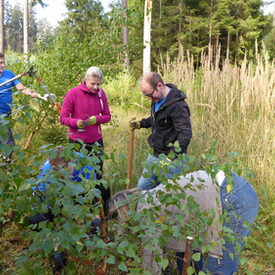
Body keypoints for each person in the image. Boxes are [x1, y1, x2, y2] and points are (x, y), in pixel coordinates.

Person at [108, 170, 259, 275]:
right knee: (186, 254)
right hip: (230, 184)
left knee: (218, 268)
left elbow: (151, 262)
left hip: (234, 199)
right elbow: (184, 245)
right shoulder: (149, 196)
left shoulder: (147, 216)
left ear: (124, 214)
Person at [129, 72, 192, 190]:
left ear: (159, 86)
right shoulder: (157, 98)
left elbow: (185, 135)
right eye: (146, 95)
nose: (149, 99)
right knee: (142, 189)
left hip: (173, 161)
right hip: (156, 154)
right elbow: (157, 120)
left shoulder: (178, 106)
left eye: (150, 95)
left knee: (167, 195)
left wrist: (171, 157)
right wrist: (141, 124)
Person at [60, 66, 111, 204]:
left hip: (96, 142)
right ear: (85, 80)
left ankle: (99, 207)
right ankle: (78, 207)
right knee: (76, 175)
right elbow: (63, 118)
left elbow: (107, 116)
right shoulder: (73, 93)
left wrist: (95, 119)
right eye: (92, 83)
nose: (95, 87)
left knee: (97, 174)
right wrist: (76, 123)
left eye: (98, 84)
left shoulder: (101, 94)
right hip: (77, 142)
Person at [0, 52, 39, 162]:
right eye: (0, 63)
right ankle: (5, 168)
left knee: (5, 143)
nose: (2, 65)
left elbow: (21, 88)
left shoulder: (9, 75)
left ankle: (4, 169)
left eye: (3, 62)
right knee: (8, 143)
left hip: (6, 115)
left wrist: (33, 93)